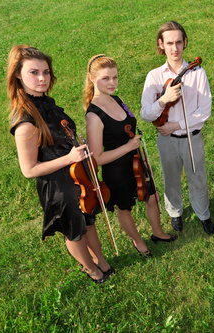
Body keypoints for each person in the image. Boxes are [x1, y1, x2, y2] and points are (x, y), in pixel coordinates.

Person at [7, 45, 112, 284]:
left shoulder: (45, 103)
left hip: (76, 177)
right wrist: (70, 158)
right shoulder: (25, 121)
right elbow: (29, 170)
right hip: (57, 186)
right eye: (34, 73)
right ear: (17, 75)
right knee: (75, 230)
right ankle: (92, 270)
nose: (42, 78)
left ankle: (101, 261)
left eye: (45, 72)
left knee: (88, 220)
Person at [84, 55, 177, 259]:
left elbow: (130, 130)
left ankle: (157, 232)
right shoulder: (94, 116)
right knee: (125, 208)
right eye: (105, 78)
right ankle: (138, 241)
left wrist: (141, 157)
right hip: (116, 170)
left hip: (136, 162)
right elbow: (97, 158)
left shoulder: (118, 100)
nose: (112, 83)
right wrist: (128, 147)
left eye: (115, 77)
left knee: (152, 197)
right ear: (92, 79)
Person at [140, 21, 214, 235]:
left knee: (197, 177)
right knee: (170, 177)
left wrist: (176, 125)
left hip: (192, 136)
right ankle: (175, 213)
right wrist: (163, 100)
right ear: (161, 44)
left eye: (179, 42)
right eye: (169, 43)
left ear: (185, 43)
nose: (175, 48)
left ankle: (203, 213)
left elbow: (204, 110)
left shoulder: (197, 72)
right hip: (167, 140)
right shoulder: (154, 76)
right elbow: (146, 113)